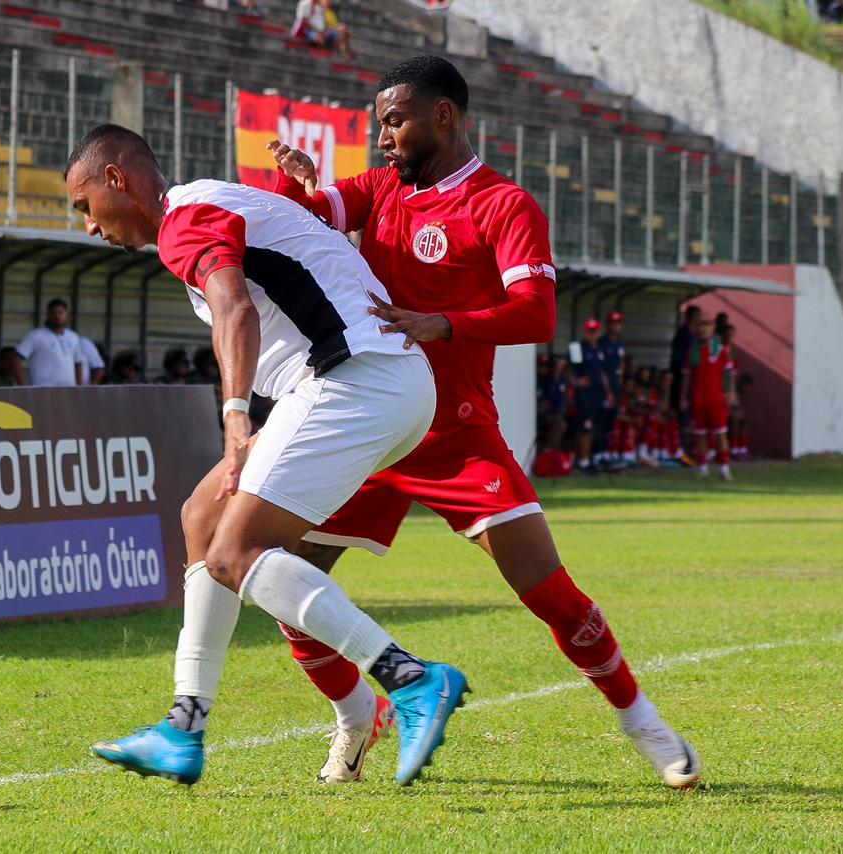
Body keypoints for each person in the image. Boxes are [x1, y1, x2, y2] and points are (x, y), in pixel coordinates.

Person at [266, 54, 701, 788]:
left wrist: (445, 323)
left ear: (444, 116)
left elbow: (536, 312)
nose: (383, 139)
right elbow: (307, 216)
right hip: (368, 425)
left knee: (551, 594)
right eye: (379, 125)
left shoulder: (505, 205)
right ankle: (354, 718)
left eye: (395, 122)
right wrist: (293, 178)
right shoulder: (380, 191)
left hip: (454, 432)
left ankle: (644, 722)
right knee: (283, 581)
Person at [65, 123, 467, 787]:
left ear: (117, 179)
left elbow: (236, 314)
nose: (88, 226)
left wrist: (235, 418)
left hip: (360, 377)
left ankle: (412, 680)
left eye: (85, 207)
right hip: (372, 380)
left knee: (236, 552)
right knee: (204, 519)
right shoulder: (207, 203)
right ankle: (184, 727)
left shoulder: (182, 219)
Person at [681, 313, 735, 481]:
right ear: (696, 329)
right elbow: (687, 376)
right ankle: (703, 467)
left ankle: (725, 468)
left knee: (720, 434)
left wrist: (730, 392)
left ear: (713, 329)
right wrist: (683, 397)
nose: (704, 328)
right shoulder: (693, 352)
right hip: (698, 400)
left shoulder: (720, 350)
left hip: (716, 399)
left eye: (707, 325)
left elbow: (729, 373)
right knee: (700, 435)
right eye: (701, 325)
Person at [572, 318, 614, 474]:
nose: (593, 335)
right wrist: (577, 381)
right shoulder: (577, 348)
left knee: (595, 427)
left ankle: (590, 458)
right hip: (584, 395)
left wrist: (608, 392)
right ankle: (582, 460)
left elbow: (603, 373)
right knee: (584, 427)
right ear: (585, 332)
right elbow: (567, 367)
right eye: (590, 332)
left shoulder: (600, 349)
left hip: (598, 394)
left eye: (595, 332)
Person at [12, 299, 86, 387]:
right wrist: (24, 386)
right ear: (48, 315)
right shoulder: (36, 335)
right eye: (53, 312)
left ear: (67, 315)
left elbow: (78, 363)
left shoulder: (73, 337)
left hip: (69, 390)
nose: (57, 316)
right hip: (43, 390)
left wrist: (80, 387)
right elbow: (16, 359)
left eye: (60, 312)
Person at [669, 304, 701, 463]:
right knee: (682, 418)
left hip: (692, 386)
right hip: (682, 384)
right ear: (691, 317)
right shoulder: (683, 336)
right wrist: (682, 392)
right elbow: (680, 365)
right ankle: (681, 453)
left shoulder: (695, 338)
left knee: (690, 420)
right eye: (698, 316)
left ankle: (691, 452)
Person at [598, 311, 627, 468]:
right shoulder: (603, 343)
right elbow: (601, 370)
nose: (616, 326)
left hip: (615, 387)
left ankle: (607, 453)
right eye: (613, 323)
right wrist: (608, 391)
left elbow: (621, 363)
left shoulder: (619, 343)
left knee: (611, 421)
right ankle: (598, 454)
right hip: (605, 389)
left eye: (618, 323)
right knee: (602, 421)